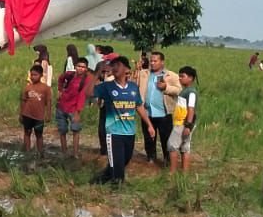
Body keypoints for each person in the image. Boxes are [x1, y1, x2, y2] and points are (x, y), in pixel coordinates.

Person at [92, 55, 154, 186]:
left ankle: (100, 180)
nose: (114, 68)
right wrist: (97, 73)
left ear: (126, 69)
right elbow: (88, 92)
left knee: (123, 161)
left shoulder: (133, 88)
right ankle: (117, 189)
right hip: (113, 132)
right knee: (118, 166)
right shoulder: (107, 87)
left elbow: (138, 106)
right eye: (112, 65)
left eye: (118, 65)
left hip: (130, 132)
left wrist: (149, 125)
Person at [141, 50, 174, 166]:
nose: (153, 63)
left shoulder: (170, 75)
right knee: (149, 137)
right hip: (147, 112)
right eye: (151, 61)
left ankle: (167, 159)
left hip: (164, 113)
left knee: (166, 138)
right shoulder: (144, 74)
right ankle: (151, 157)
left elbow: (179, 89)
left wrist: (167, 87)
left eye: (155, 61)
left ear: (162, 62)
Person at [56, 55, 90, 155]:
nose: (81, 68)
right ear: (75, 66)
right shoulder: (69, 74)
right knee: (62, 130)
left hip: (74, 109)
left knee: (75, 130)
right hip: (62, 105)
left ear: (86, 69)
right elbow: (60, 79)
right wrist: (60, 90)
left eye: (83, 67)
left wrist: (78, 112)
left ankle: (75, 153)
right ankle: (64, 152)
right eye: (79, 66)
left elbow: (82, 96)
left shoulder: (86, 80)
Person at [170, 66, 199, 172]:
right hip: (182, 123)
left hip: (182, 123)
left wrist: (188, 126)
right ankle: (184, 173)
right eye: (179, 76)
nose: (180, 78)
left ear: (190, 78)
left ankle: (172, 172)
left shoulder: (191, 92)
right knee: (184, 148)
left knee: (172, 146)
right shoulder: (185, 91)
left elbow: (191, 109)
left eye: (183, 76)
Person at [19, 64, 51, 151]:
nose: (33, 77)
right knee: (27, 133)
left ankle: (40, 152)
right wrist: (21, 114)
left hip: (39, 116)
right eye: (31, 75)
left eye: (35, 75)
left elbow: (48, 102)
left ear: (41, 75)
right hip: (27, 114)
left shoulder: (46, 88)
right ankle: (27, 151)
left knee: (39, 134)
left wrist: (48, 114)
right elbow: (23, 101)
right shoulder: (27, 87)